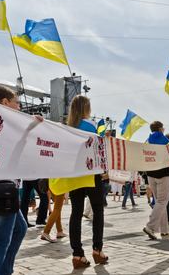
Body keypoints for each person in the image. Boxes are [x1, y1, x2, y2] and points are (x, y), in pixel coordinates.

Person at [0, 85, 42, 274]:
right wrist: (32, 124)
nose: (19, 107)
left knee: (19, 229)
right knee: (1, 239)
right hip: (1, 187)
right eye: (17, 103)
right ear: (5, 102)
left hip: (2, 186)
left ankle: (5, 270)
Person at [67, 95, 108, 269]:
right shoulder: (93, 125)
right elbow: (101, 149)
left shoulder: (68, 127)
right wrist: (105, 169)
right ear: (87, 108)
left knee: (75, 212)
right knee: (98, 210)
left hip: (75, 174)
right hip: (92, 172)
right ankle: (97, 249)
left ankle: (77, 254)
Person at [143, 121, 169, 239]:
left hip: (151, 174)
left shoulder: (147, 141)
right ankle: (150, 226)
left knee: (158, 202)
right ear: (161, 129)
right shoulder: (167, 143)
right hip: (164, 174)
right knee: (162, 201)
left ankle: (164, 229)